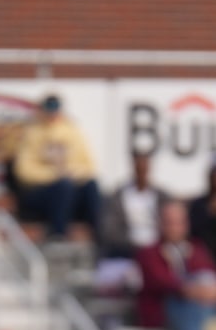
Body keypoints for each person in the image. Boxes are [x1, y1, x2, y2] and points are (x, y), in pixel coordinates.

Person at [12, 95, 101, 242]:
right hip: (41, 191)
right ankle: (58, 236)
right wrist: (54, 175)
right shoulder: (32, 132)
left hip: (70, 187)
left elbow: (89, 166)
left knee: (91, 187)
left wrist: (72, 173)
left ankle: (99, 238)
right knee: (63, 187)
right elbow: (23, 170)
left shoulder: (72, 131)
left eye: (56, 108)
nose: (53, 113)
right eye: (49, 108)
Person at [136, 200, 216, 330]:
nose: (174, 228)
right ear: (160, 223)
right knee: (190, 298)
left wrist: (212, 290)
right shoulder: (149, 252)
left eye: (178, 223)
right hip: (164, 309)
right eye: (169, 223)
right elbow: (161, 281)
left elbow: (213, 275)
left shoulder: (197, 248)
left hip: (201, 302)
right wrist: (189, 289)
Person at [100, 152, 172, 260]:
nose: (141, 172)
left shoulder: (162, 196)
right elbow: (110, 227)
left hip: (157, 249)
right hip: (126, 249)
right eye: (139, 168)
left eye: (144, 168)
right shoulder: (118, 196)